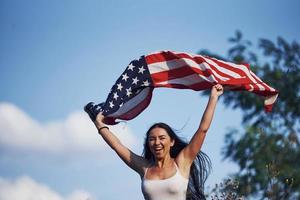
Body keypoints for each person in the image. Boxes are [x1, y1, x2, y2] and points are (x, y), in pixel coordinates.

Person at [86, 84, 224, 200]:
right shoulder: (144, 167)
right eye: (152, 139)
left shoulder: (182, 163)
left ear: (172, 142)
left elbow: (203, 129)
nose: (157, 142)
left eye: (162, 138)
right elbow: (117, 146)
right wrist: (99, 124)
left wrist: (213, 97)